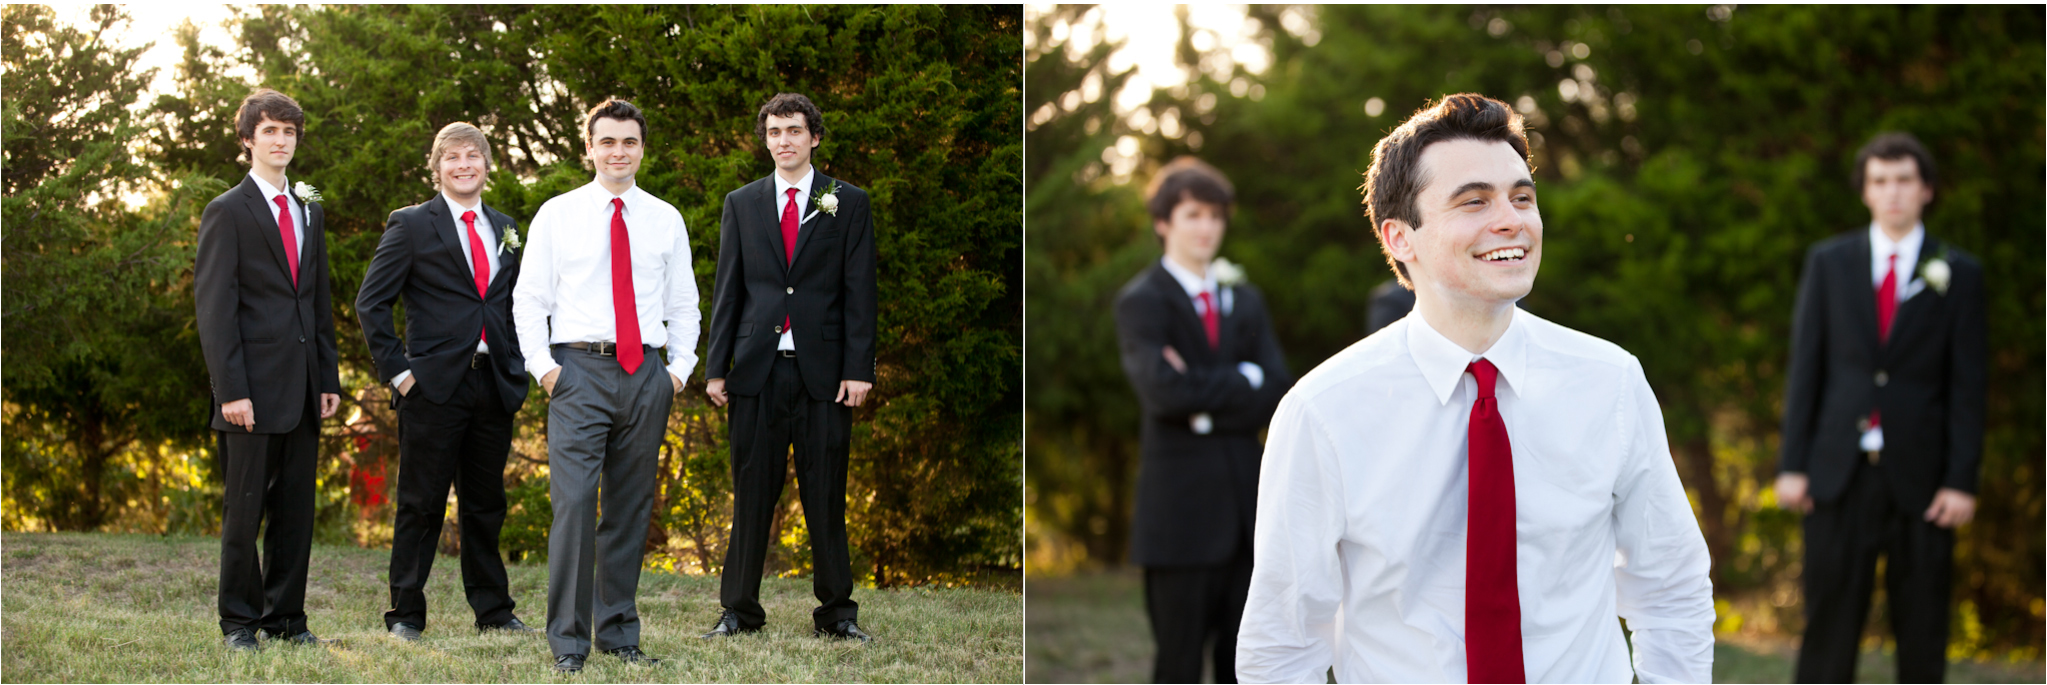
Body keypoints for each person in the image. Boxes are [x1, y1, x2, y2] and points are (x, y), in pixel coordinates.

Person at [1234, 94, 1714, 683]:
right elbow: (1283, 640)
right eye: (1474, 201)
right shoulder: (1323, 411)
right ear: (1399, 238)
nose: (1511, 218)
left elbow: (1670, 586)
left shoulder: (1610, 382)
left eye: (1522, 197)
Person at [1775, 132, 1985, 683]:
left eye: (1904, 180)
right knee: (1829, 624)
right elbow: (1807, 370)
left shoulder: (1959, 273)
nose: (1892, 192)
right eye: (1880, 181)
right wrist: (1792, 465)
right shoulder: (1829, 263)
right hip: (1836, 476)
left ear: (1927, 190)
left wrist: (1961, 480)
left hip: (1925, 481)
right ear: (1866, 192)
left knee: (1923, 625)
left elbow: (1968, 386)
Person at [511, 99, 698, 673]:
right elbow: (529, 299)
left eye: (630, 142)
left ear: (643, 149)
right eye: (608, 141)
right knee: (572, 506)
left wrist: (678, 371)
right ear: (588, 148)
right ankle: (569, 642)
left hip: (647, 373)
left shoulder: (665, 218)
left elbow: (684, 303)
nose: (619, 152)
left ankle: (619, 633)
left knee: (629, 506)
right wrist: (545, 368)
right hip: (578, 372)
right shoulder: (557, 214)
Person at [700, 92, 878, 643]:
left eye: (795, 131)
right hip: (756, 373)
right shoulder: (742, 202)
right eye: (775, 132)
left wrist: (859, 368)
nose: (784, 141)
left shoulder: (848, 202)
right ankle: (739, 613)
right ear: (766, 138)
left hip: (825, 376)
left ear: (814, 137)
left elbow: (860, 293)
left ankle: (837, 616)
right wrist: (715, 368)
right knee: (751, 494)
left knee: (826, 495)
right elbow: (728, 291)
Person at [1114, 157, 1293, 683]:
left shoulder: (1246, 298)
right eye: (1193, 214)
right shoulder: (1142, 302)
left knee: (1246, 665)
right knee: (1178, 665)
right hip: (1179, 519)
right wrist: (1243, 380)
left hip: (1246, 515)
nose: (1207, 227)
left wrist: (1205, 400)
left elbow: (1279, 388)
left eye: (1215, 215)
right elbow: (1163, 393)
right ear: (1163, 222)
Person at [356, 122, 537, 642]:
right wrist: (401, 373)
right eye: (452, 157)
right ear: (436, 169)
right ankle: (406, 615)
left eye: (473, 156)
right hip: (431, 389)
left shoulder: (504, 226)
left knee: (486, 505)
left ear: (486, 165)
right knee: (421, 504)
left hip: (492, 386)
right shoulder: (411, 225)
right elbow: (371, 303)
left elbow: (511, 304)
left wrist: (517, 365)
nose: (464, 165)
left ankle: (494, 612)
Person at [193, 87, 342, 651]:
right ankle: (239, 623)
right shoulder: (227, 211)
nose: (281, 140)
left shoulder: (309, 210)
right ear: (248, 140)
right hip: (249, 393)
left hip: (304, 389)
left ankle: (287, 620)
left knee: (294, 514)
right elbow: (215, 309)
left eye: (289, 132)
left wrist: (327, 378)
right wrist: (231, 390)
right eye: (271, 131)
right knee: (244, 513)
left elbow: (317, 301)